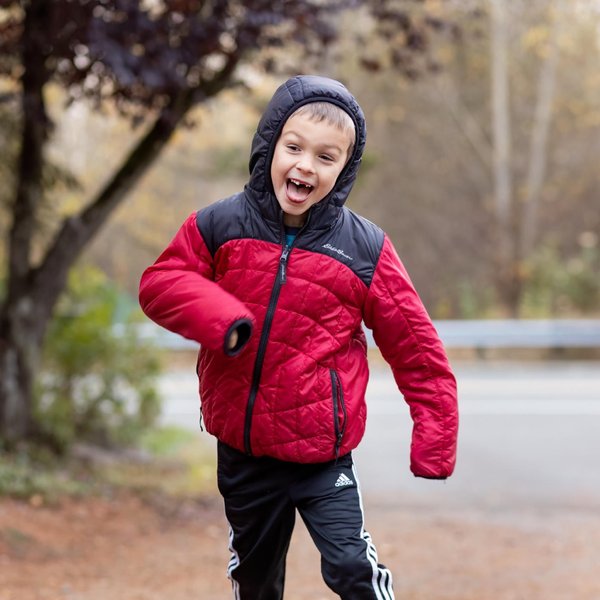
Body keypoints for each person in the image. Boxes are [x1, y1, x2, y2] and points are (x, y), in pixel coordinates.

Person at [139, 75, 459, 600]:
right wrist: (223, 319)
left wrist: (435, 437)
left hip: (321, 456)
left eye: (326, 157)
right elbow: (161, 283)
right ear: (270, 145)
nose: (306, 165)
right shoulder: (218, 224)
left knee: (352, 568)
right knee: (256, 582)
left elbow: (416, 348)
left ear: (345, 169)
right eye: (294, 148)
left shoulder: (365, 248)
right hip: (243, 452)